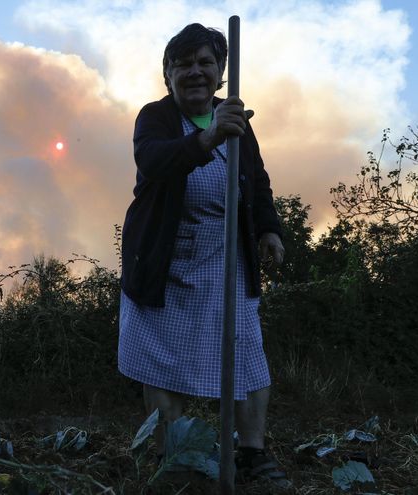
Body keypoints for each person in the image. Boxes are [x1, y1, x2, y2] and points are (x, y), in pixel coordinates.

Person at [117, 23, 289, 485]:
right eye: (183, 64)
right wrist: (208, 137)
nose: (194, 72)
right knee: (161, 362)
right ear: (168, 73)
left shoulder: (237, 121)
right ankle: (174, 461)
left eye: (204, 63)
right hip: (162, 264)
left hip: (224, 260)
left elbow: (257, 179)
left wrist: (269, 229)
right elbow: (152, 161)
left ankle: (251, 455)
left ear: (221, 72)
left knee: (246, 356)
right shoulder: (154, 117)